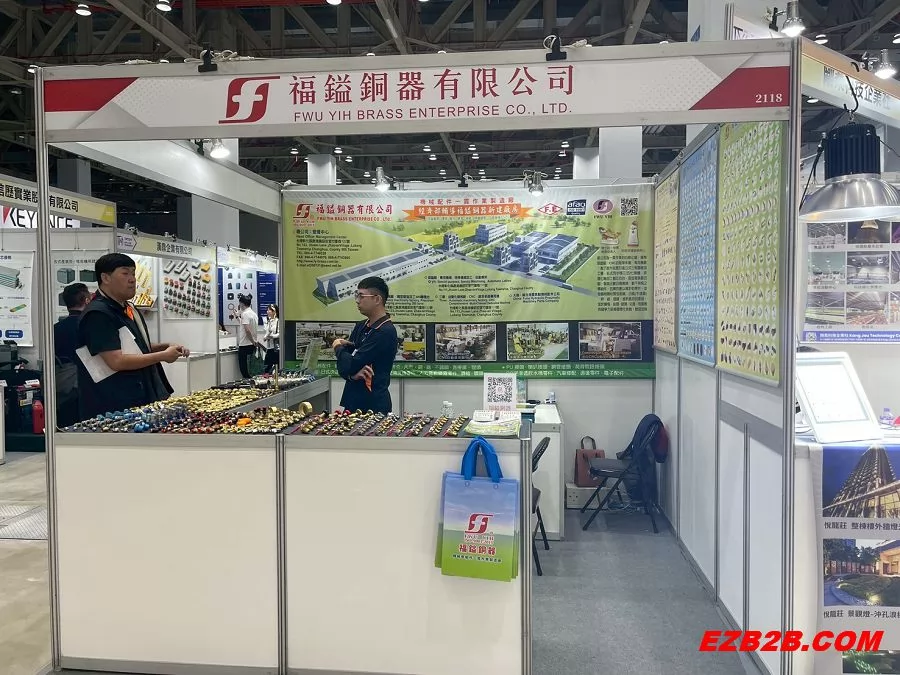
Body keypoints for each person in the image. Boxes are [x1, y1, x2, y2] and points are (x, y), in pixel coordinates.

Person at [75, 253, 187, 420]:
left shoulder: (126, 308)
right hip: (114, 407)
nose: (132, 279)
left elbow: (132, 346)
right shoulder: (98, 314)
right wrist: (162, 356)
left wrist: (163, 347)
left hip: (139, 396)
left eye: (133, 273)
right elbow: (116, 361)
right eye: (125, 273)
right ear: (105, 278)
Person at [332, 277, 397, 413]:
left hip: (373, 405)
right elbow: (344, 366)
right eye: (357, 296)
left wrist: (337, 345)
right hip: (352, 400)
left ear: (377, 299)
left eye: (361, 296)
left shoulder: (384, 331)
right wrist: (351, 376)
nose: (357, 300)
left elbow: (351, 363)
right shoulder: (361, 326)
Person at [54, 283, 91, 427]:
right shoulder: (90, 326)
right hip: (85, 386)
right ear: (86, 300)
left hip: (61, 386)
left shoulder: (55, 329)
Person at [236, 293, 259, 379]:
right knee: (251, 369)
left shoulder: (245, 314)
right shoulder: (254, 314)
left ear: (242, 303)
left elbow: (247, 330)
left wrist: (252, 341)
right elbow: (244, 325)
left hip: (245, 345)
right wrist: (237, 317)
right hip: (251, 345)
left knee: (245, 371)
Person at [261, 304, 280, 374]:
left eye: (269, 310)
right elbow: (267, 332)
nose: (267, 311)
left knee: (276, 366)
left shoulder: (278, 321)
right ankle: (267, 378)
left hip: (275, 347)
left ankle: (277, 378)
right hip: (269, 347)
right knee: (267, 367)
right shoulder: (269, 321)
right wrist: (265, 337)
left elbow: (280, 334)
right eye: (267, 310)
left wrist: (272, 336)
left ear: (274, 312)